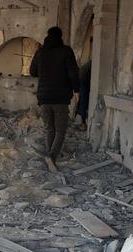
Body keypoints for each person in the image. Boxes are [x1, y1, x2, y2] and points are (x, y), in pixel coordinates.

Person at [29, 26, 79, 172]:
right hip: (60, 98)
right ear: (60, 37)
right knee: (60, 130)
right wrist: (76, 90)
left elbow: (32, 72)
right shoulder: (66, 51)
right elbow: (73, 73)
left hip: (44, 97)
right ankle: (51, 156)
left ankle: (49, 157)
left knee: (49, 129)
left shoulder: (40, 52)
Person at [77, 58, 91, 131]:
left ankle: (83, 122)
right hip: (83, 82)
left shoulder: (88, 65)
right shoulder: (90, 65)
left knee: (83, 101)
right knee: (83, 101)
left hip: (83, 81)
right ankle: (83, 123)